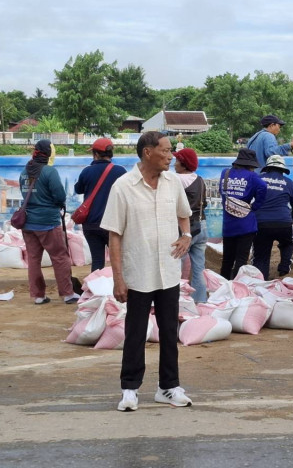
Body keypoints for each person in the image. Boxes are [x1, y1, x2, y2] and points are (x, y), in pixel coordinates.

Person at [101, 131, 194, 411]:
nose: (170, 156)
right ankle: (130, 389)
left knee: (169, 331)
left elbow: (184, 214)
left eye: (170, 151)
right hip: (138, 272)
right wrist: (118, 278)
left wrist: (186, 235)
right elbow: (114, 235)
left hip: (168, 270)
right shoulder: (123, 186)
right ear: (147, 152)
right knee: (135, 332)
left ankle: (168, 387)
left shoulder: (173, 182)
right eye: (165, 151)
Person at [19, 139, 80, 305]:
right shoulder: (49, 171)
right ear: (48, 154)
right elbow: (60, 196)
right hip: (48, 223)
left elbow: (24, 194)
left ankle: (38, 296)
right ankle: (67, 294)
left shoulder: (24, 172)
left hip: (28, 223)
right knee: (60, 257)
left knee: (33, 260)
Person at [73, 138, 127, 272]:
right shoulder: (120, 171)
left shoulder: (87, 171)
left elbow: (78, 189)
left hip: (91, 224)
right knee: (118, 260)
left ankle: (96, 284)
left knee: (97, 261)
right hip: (112, 225)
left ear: (96, 154)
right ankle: (117, 284)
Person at [218, 148, 267, 279]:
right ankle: (237, 286)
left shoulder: (225, 173)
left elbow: (222, 192)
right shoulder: (252, 176)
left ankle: (224, 284)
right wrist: (254, 206)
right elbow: (263, 187)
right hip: (246, 224)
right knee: (241, 260)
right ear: (251, 164)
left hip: (228, 224)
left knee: (227, 259)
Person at [252, 155, 293, 280]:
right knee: (288, 243)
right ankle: (284, 269)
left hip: (261, 223)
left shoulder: (258, 179)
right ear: (282, 170)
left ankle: (262, 278)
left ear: (267, 168)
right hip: (283, 222)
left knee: (261, 254)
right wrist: (292, 217)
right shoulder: (289, 182)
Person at [172, 148, 209, 303]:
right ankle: (200, 301)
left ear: (183, 163)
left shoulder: (176, 179)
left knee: (176, 267)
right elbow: (204, 203)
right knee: (199, 268)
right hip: (202, 225)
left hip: (185, 229)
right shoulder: (200, 179)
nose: (174, 164)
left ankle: (176, 300)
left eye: (177, 161)